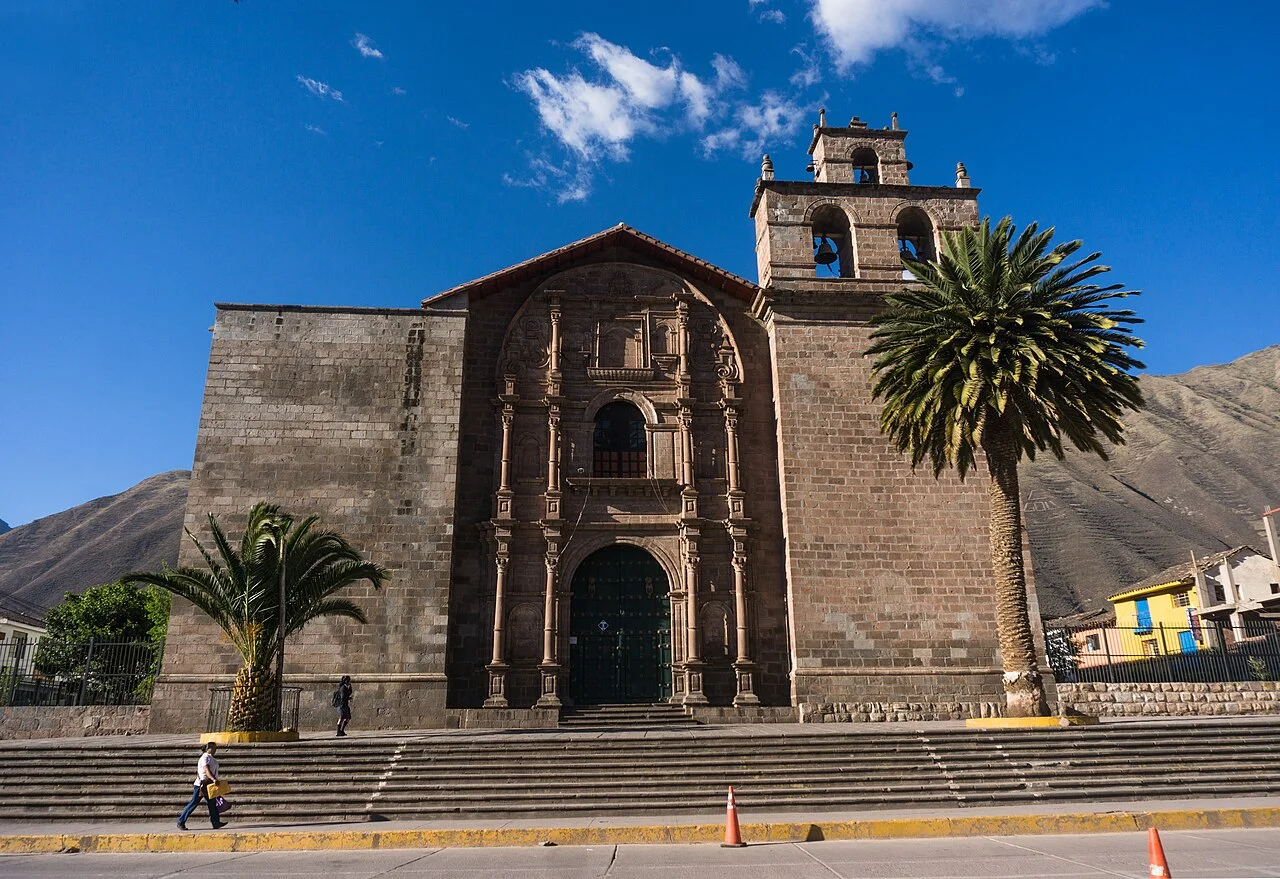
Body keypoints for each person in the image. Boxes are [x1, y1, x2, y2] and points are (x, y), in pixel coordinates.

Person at [177, 742, 225, 830]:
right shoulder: (205, 757)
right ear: (208, 749)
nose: (215, 750)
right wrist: (214, 779)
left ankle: (216, 822)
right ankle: (181, 822)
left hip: (209, 785)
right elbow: (206, 770)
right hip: (201, 786)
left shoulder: (212, 758)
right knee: (193, 803)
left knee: (212, 804)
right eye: (213, 748)